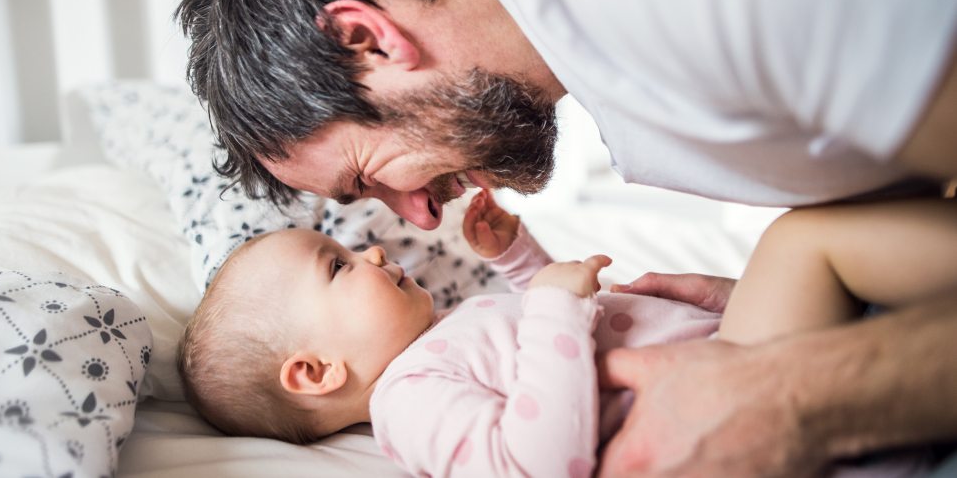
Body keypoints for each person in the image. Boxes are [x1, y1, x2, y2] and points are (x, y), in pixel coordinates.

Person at [175, 0, 957, 474]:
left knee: (803, 242)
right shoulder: (414, 393)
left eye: (367, 177)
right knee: (805, 243)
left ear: (366, 39)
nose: (414, 218)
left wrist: (798, 389)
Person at [178, 190, 952, 476]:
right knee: (801, 239)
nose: (373, 250)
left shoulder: (442, 338)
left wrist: (520, 261)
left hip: (750, 360)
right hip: (733, 402)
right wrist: (550, 304)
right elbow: (537, 457)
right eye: (340, 268)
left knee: (831, 240)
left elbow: (545, 346)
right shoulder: (408, 403)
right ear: (315, 374)